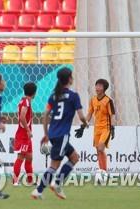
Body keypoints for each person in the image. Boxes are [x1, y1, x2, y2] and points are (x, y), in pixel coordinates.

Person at [31, 68, 88, 200]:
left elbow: (45, 114)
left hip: (54, 134)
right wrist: (85, 123)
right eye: (72, 76)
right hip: (62, 135)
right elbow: (81, 116)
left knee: (74, 157)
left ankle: (55, 184)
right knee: (54, 165)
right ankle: (40, 190)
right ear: (69, 79)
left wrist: (46, 133)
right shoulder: (74, 96)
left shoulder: (53, 96)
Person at [76, 79, 116, 176]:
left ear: (104, 89)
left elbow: (112, 115)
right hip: (96, 128)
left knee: (101, 148)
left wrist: (112, 128)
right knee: (98, 150)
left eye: (100, 86)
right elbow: (89, 114)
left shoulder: (108, 101)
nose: (97, 87)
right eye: (96, 85)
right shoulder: (93, 100)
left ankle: (104, 172)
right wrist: (83, 126)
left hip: (105, 128)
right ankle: (101, 171)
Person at [12, 82, 37, 186]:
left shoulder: (24, 100)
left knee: (29, 157)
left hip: (25, 135)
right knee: (21, 156)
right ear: (34, 93)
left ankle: (30, 181)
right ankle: (15, 181)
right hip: (23, 135)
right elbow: (22, 117)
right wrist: (28, 130)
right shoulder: (26, 101)